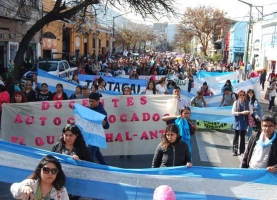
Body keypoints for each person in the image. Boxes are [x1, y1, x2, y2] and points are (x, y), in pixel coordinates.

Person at [88, 93, 109, 165]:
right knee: (97, 153)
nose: (91, 103)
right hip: (90, 135)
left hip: (96, 137)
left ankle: (88, 169)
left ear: (98, 101)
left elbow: (107, 126)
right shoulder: (89, 108)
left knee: (89, 155)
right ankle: (105, 166)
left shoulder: (102, 112)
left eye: (92, 101)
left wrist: (104, 123)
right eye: (89, 101)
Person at [231, 90, 253, 156]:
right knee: (236, 136)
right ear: (238, 95)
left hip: (244, 121)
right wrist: (241, 113)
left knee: (242, 136)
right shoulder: (236, 102)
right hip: (237, 121)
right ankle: (234, 150)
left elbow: (251, 111)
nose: (242, 96)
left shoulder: (247, 103)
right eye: (240, 95)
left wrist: (247, 112)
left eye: (243, 95)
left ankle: (242, 151)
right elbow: (233, 112)